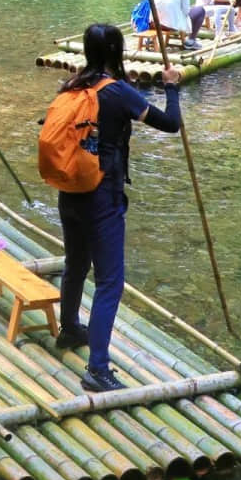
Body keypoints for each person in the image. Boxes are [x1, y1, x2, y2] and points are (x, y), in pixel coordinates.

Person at [54, 23, 181, 393]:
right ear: (116, 50)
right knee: (110, 282)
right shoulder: (117, 92)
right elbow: (171, 124)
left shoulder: (72, 86)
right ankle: (97, 368)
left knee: (75, 264)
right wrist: (171, 85)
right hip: (102, 198)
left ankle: (69, 330)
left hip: (70, 190)